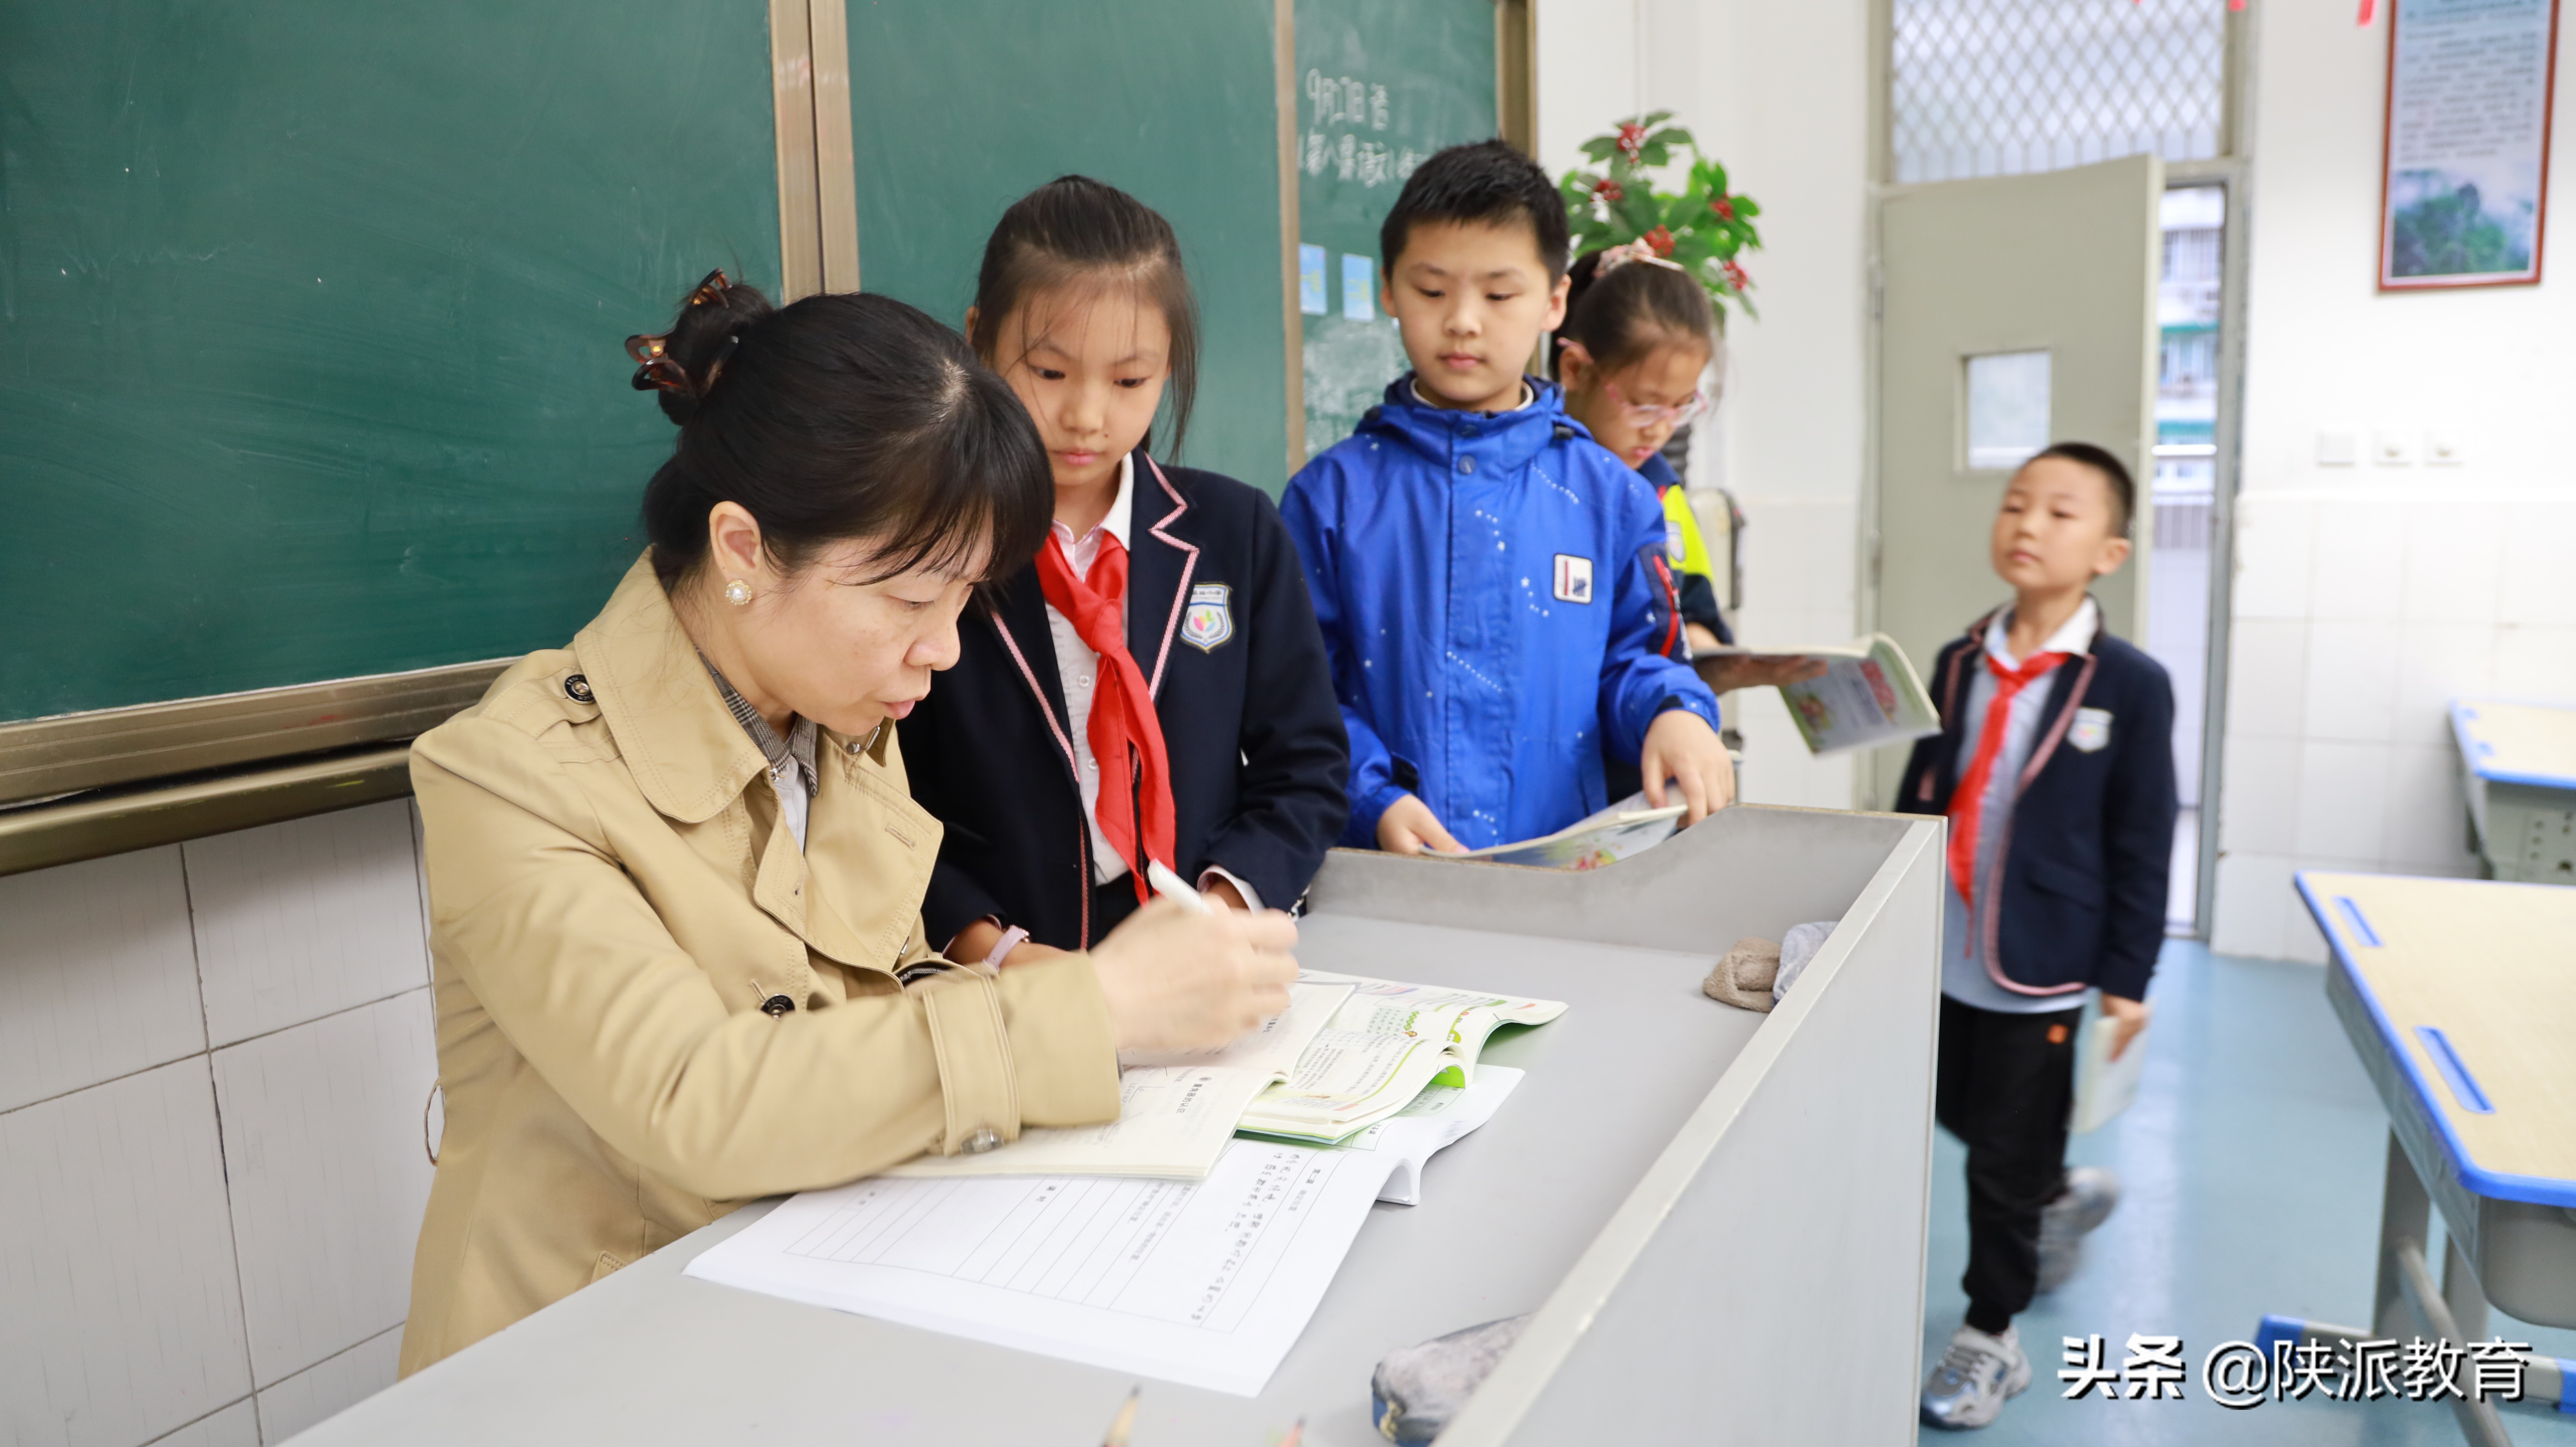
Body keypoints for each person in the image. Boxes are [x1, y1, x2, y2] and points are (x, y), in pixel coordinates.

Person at [398, 274, 1298, 1374]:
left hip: (797, 1329)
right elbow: (701, 1099)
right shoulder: (509, 777)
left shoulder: (837, 722)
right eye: (913, 602)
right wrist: (1093, 1009)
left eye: (966, 601)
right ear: (743, 550)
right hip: (585, 1370)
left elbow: (881, 983)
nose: (945, 649)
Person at [901, 176, 1348, 957]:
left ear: (1168, 365)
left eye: (1130, 380)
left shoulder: (1235, 532)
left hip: (1194, 942)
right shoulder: (927, 544)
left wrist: (1226, 902)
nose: (1087, 414)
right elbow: (885, 795)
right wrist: (988, 948)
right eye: (1049, 372)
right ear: (978, 340)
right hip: (1004, 968)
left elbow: (1305, 765)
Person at [1281, 140, 1732, 857]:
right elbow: (1298, 694)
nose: (1463, 320)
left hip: (1568, 883)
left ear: (1555, 301)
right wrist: (1373, 797)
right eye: (1432, 291)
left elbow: (1637, 658)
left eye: (1498, 295)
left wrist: (1672, 711)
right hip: (1387, 880)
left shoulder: (1611, 497)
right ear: (1389, 291)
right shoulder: (1331, 497)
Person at [1899, 442, 2176, 1430]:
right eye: (2016, 504)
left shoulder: (2129, 684)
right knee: (1958, 1112)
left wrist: (2127, 976)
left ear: (2108, 551)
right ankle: (2051, 1185)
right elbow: (1923, 794)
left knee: (1995, 1162)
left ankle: (1990, 1332)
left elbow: (2143, 836)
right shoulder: (1960, 657)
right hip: (1946, 944)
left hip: (2047, 961)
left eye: (2060, 513)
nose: (2027, 523)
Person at [1551, 240, 1827, 747]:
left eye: (1680, 406)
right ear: (1576, 372)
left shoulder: (1665, 494)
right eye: (1643, 404)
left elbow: (1692, 610)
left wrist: (1716, 659)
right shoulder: (1540, 484)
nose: (1661, 429)